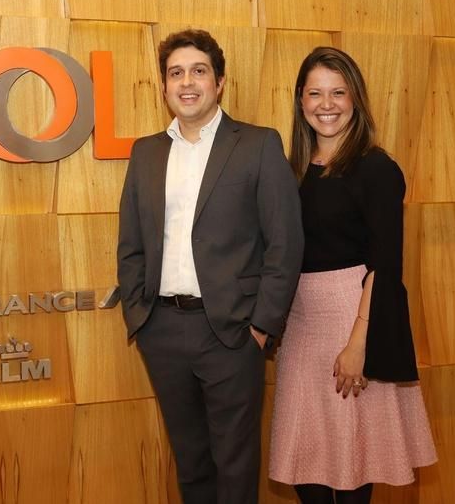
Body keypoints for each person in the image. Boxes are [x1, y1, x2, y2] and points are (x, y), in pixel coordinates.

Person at [117, 29, 303, 504]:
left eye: (198, 71)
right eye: (175, 73)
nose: (187, 82)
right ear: (163, 86)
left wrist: (261, 327)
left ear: (219, 82)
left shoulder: (258, 145)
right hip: (161, 329)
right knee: (191, 462)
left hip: (232, 333)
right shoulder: (146, 152)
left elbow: (285, 243)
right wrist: (140, 314)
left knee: (235, 464)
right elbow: (131, 243)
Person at [268, 47, 437, 504]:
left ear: (355, 99)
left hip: (353, 317)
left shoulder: (376, 168)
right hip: (301, 328)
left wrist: (359, 343)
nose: (327, 104)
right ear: (300, 100)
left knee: (353, 466)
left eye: (338, 93)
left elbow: (386, 263)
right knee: (305, 463)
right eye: (315, 93)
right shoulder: (292, 171)